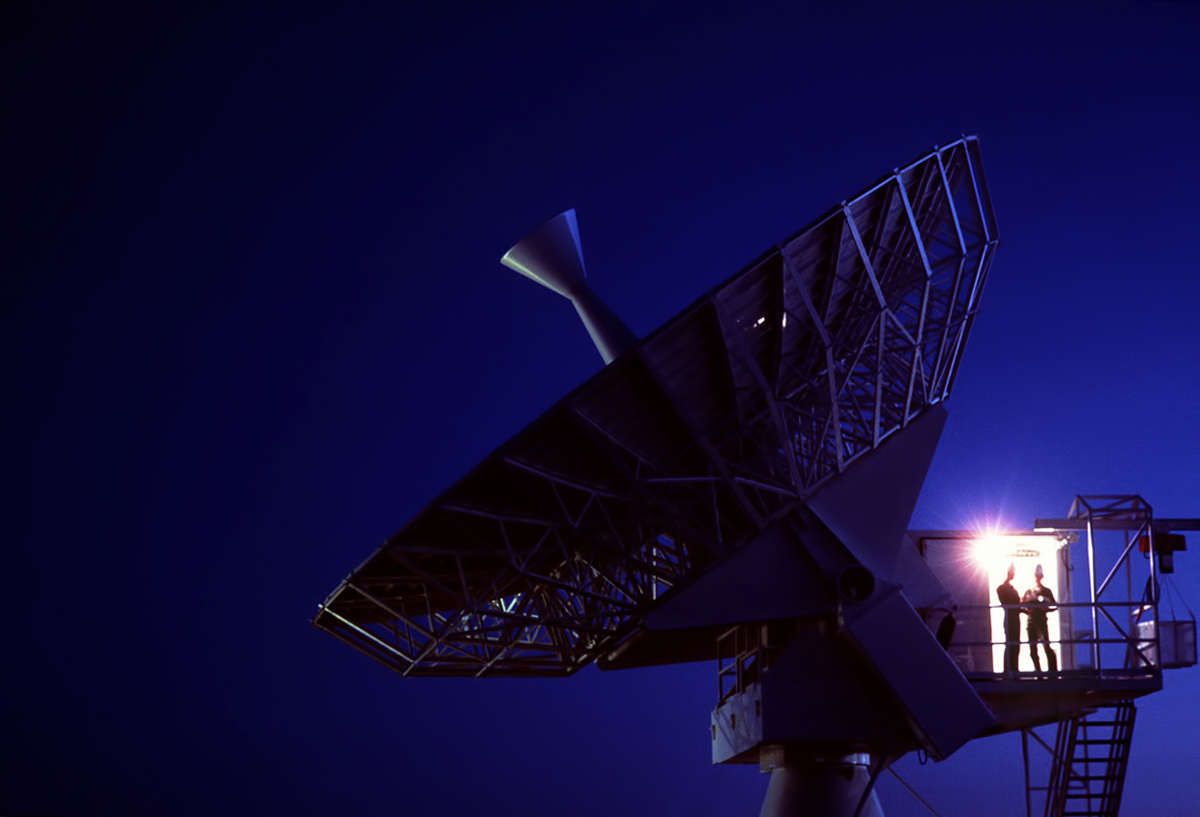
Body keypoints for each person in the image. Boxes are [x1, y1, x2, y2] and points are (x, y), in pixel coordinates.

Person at [1022, 564, 1058, 677]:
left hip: (1041, 622)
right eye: (1036, 575)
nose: (1037, 577)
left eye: (1039, 575)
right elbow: (1021, 606)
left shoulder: (1046, 591)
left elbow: (1055, 605)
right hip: (1031, 623)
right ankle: (1038, 672)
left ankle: (1052, 672)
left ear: (1042, 576)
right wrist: (1029, 608)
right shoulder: (1029, 592)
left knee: (1046, 646)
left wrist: (1045, 607)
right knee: (1033, 649)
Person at [996, 564, 1021, 675]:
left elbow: (1017, 605)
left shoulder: (1011, 589)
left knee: (1015, 645)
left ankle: (1014, 670)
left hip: (1015, 619)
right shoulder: (1003, 588)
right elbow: (1007, 602)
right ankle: (1009, 670)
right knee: (1011, 644)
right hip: (1010, 619)